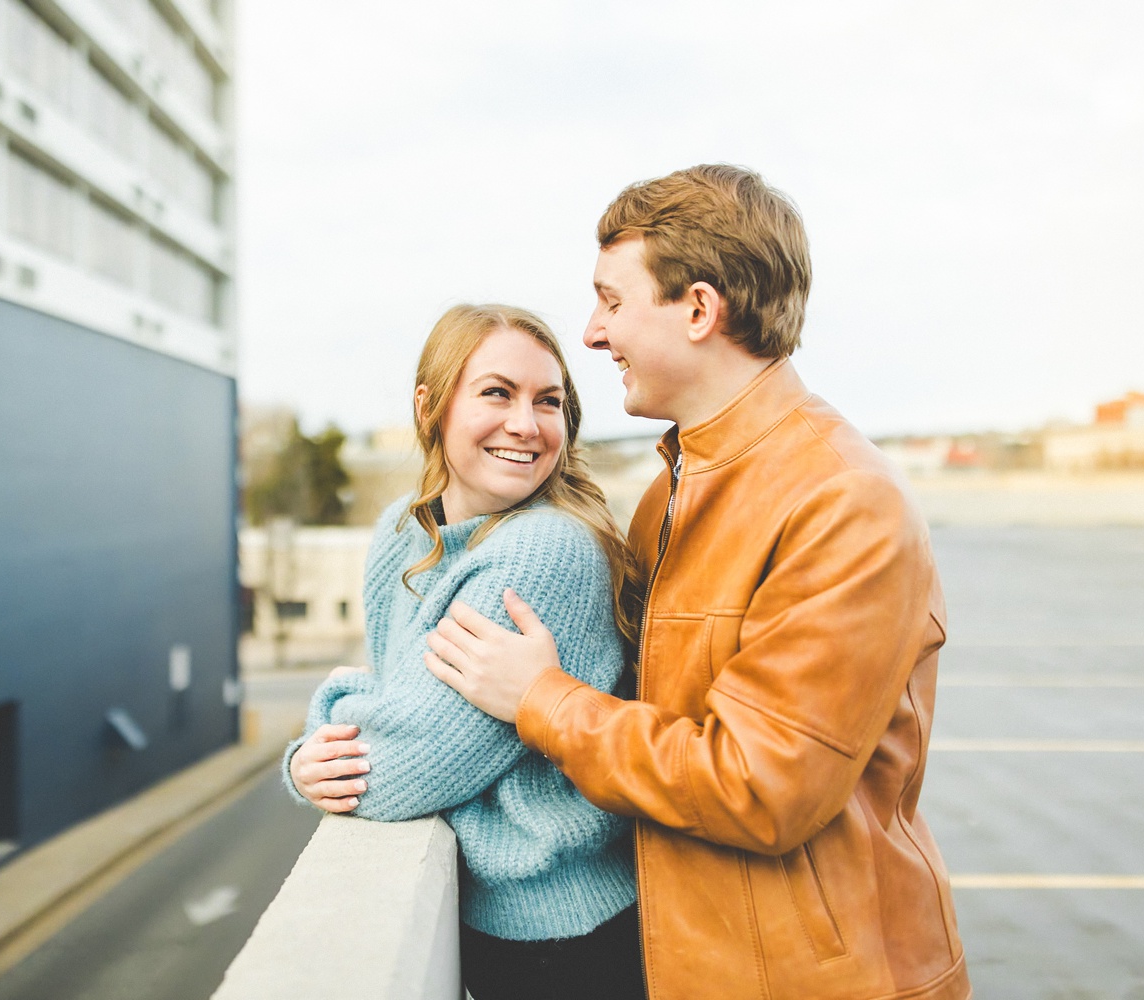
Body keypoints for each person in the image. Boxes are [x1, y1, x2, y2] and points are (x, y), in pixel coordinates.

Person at [422, 166, 971, 1000]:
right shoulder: (671, 490)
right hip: (684, 963)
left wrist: (544, 699)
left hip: (814, 981)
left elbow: (761, 787)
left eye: (612, 301)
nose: (594, 335)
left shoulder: (842, 500)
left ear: (700, 310)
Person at [285, 304, 647, 1000]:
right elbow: (397, 703)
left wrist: (325, 714)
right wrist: (321, 750)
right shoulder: (405, 528)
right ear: (431, 407)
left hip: (564, 942)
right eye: (496, 392)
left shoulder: (546, 550)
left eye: (549, 401)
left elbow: (394, 767)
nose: (527, 423)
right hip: (495, 931)